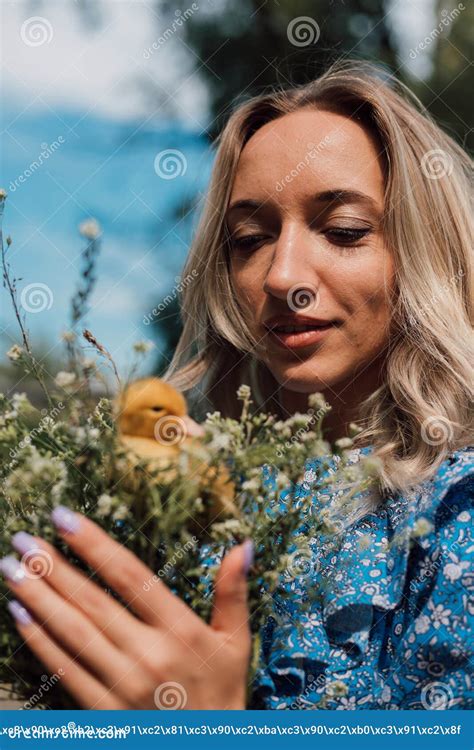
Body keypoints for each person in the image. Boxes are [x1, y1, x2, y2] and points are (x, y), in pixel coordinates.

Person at [1, 61, 472, 710]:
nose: (281, 276)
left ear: (427, 254)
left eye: (343, 231)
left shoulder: (457, 513)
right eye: (249, 239)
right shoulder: (202, 499)